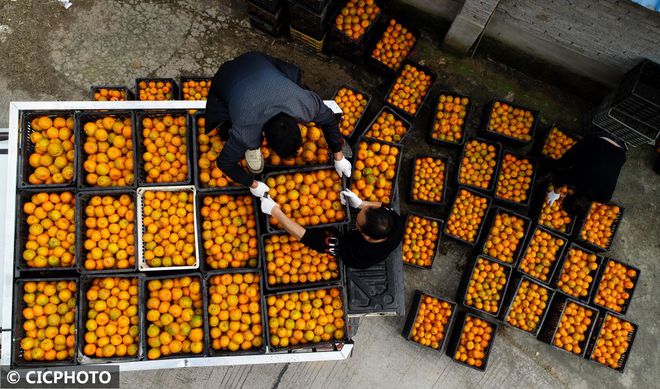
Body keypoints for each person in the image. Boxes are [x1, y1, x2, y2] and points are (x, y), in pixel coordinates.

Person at [205, 51, 352, 198]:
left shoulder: (305, 104)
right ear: (265, 140)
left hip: (256, 61)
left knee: (294, 79)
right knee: (225, 128)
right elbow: (224, 163)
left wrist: (338, 155)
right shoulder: (245, 131)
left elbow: (328, 119)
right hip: (228, 75)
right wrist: (252, 184)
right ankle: (244, 142)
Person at [259, 189, 406, 269]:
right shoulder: (396, 221)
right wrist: (361, 204)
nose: (354, 220)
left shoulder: (352, 251)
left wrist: (274, 211)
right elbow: (383, 206)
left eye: (357, 223)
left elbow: (305, 236)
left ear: (366, 236)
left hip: (358, 259)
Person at [545, 131, 627, 215]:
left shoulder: (604, 198)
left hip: (621, 151)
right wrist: (556, 192)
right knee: (561, 165)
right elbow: (559, 176)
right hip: (601, 138)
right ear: (570, 193)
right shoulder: (576, 180)